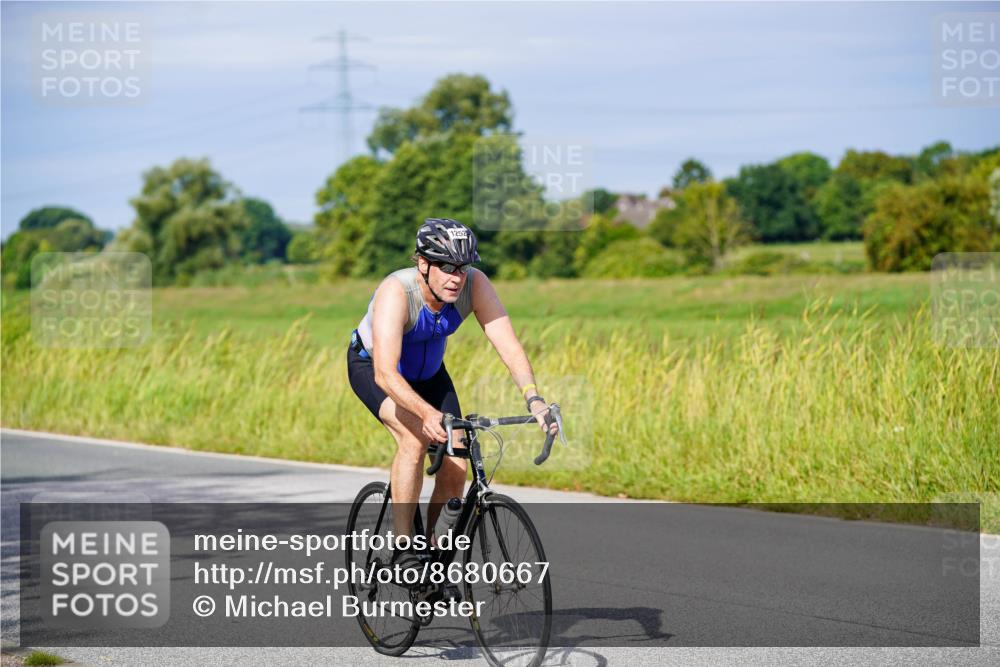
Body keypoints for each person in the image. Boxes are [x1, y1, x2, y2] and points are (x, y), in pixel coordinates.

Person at [347, 218, 558, 571]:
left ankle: (432, 557)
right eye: (446, 267)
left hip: (430, 376)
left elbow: (507, 343)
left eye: (462, 267)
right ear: (423, 264)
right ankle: (403, 549)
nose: (456, 277)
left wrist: (533, 397)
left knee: (457, 463)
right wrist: (426, 414)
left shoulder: (475, 285)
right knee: (414, 438)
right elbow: (385, 372)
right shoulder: (396, 292)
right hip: (375, 370)